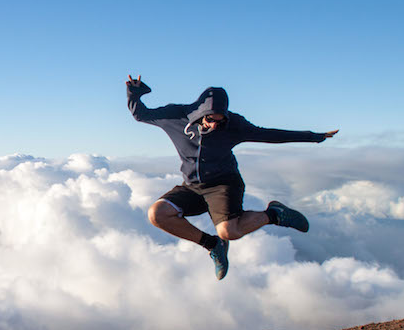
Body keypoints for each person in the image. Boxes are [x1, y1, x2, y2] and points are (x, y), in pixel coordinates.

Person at [126, 74, 338, 280]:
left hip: (223, 184)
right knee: (157, 214)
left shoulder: (233, 124)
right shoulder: (176, 116)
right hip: (192, 186)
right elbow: (141, 115)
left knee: (229, 231)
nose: (215, 126)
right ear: (200, 113)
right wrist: (135, 93)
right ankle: (213, 245)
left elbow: (270, 135)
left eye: (220, 121)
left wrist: (314, 137)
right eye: (210, 120)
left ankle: (274, 214)